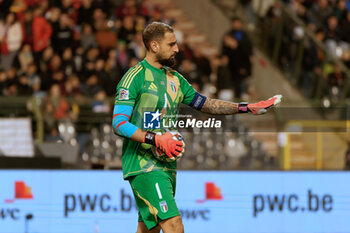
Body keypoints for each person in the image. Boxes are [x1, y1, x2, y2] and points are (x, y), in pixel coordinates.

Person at [112, 22, 282, 233]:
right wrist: (155, 139)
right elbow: (119, 124)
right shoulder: (134, 77)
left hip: (167, 165)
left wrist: (247, 107)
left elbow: (207, 104)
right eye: (172, 44)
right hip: (144, 166)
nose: (177, 49)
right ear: (154, 46)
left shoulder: (175, 79)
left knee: (149, 229)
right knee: (174, 226)